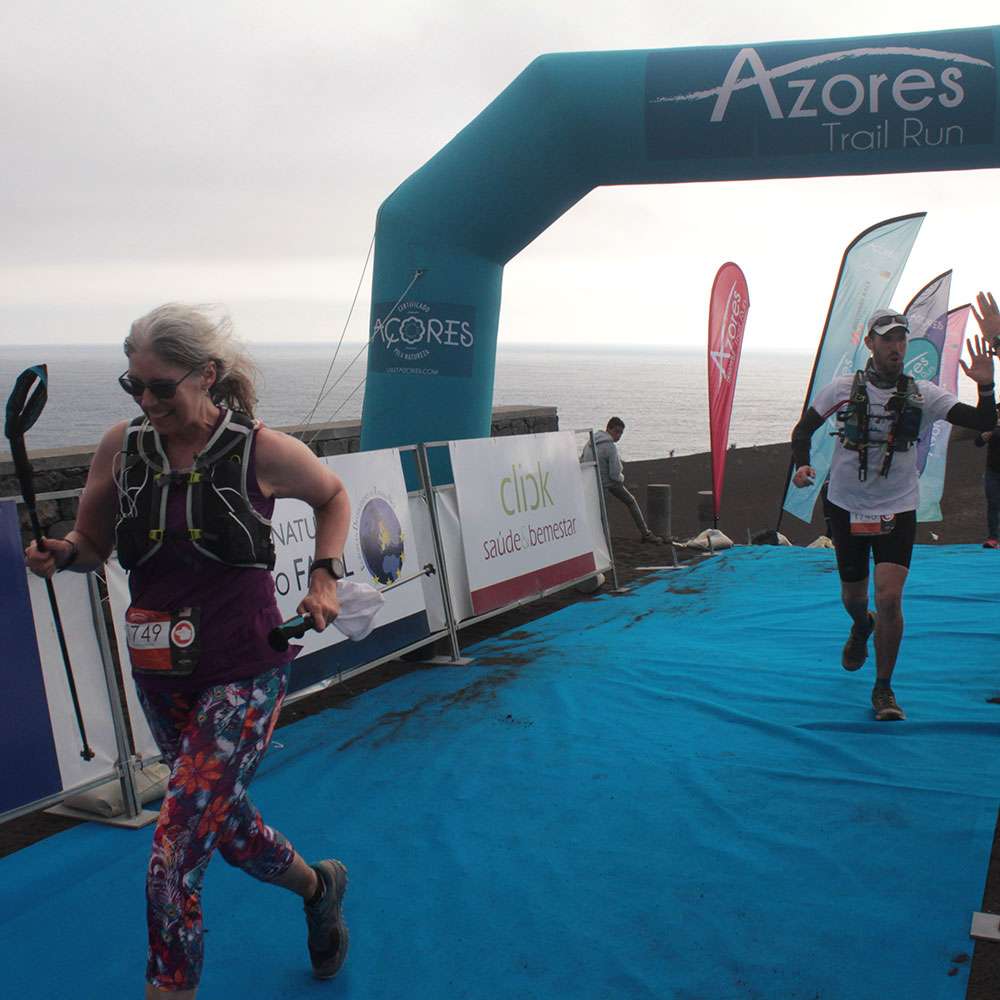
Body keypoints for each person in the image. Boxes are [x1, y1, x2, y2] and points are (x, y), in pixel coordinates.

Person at [25, 304, 352, 999]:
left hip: (244, 671)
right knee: (227, 829)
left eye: (161, 387)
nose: (146, 402)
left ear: (206, 376)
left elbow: (333, 496)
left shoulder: (261, 449)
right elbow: (93, 546)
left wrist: (324, 574)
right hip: (159, 671)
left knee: (172, 858)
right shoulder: (122, 446)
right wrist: (62, 554)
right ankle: (319, 886)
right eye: (132, 386)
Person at [790, 303, 997, 722]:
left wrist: (987, 386)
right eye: (887, 338)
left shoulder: (925, 393)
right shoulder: (842, 389)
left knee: (889, 597)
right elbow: (803, 429)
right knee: (855, 597)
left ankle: (883, 688)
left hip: (898, 508)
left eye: (902, 338)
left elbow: (981, 421)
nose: (896, 346)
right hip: (846, 505)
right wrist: (802, 465)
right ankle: (859, 625)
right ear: (870, 343)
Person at [580, 417, 662, 543]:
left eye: (621, 433)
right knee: (630, 501)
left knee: (597, 514)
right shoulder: (610, 447)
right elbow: (614, 475)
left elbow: (582, 460)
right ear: (609, 429)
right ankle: (646, 534)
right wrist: (621, 478)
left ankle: (595, 539)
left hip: (591, 482)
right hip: (607, 484)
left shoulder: (590, 442)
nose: (618, 436)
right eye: (617, 432)